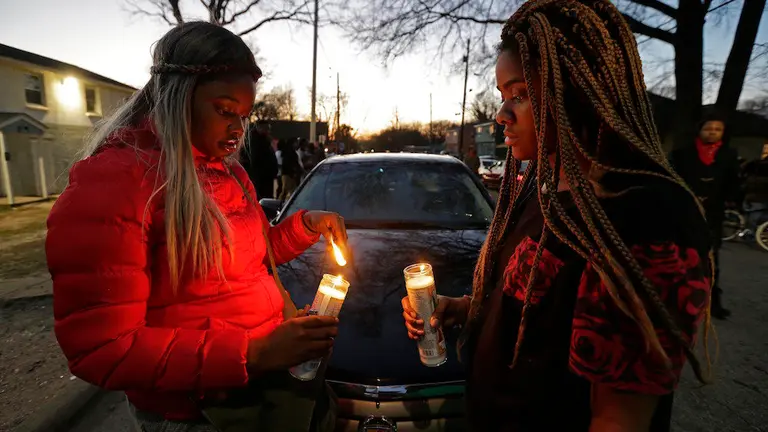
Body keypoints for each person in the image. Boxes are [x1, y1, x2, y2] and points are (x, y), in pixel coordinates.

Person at [402, 2, 713, 431]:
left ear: (579, 92)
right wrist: (463, 308)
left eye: (521, 95)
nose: (501, 115)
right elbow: (540, 311)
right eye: (503, 96)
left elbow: (617, 420)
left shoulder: (642, 216)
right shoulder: (542, 186)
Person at [46, 22, 348, 432]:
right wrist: (254, 353)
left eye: (244, 115)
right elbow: (102, 347)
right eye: (225, 110)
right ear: (178, 97)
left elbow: (251, 259)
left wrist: (304, 227)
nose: (238, 129)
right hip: (198, 413)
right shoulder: (118, 184)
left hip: (264, 389)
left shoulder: (229, 174)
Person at [669, 114, 740, 319]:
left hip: (713, 213)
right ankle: (678, 297)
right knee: (681, 254)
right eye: (709, 128)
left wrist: (728, 199)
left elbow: (733, 182)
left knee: (710, 257)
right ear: (700, 130)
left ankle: (712, 303)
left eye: (717, 129)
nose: (712, 132)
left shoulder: (728, 155)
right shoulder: (682, 154)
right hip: (685, 211)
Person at [241, 120, 278, 199]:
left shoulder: (263, 140)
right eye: (266, 128)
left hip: (265, 177)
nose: (268, 131)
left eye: (269, 128)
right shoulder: (253, 141)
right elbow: (255, 159)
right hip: (261, 178)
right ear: (259, 128)